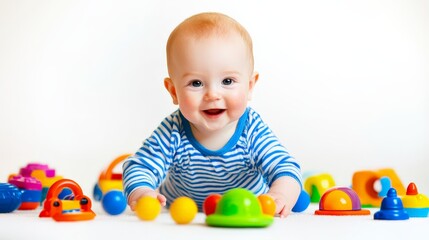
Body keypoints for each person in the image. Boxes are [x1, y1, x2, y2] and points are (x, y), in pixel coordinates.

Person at [122, 12, 302, 217]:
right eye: (196, 83)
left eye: (227, 81)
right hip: (182, 216)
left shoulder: (252, 129)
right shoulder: (174, 129)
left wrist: (280, 195)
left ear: (250, 86)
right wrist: (143, 191)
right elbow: (139, 165)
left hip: (245, 211)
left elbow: (285, 167)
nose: (213, 95)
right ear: (173, 92)